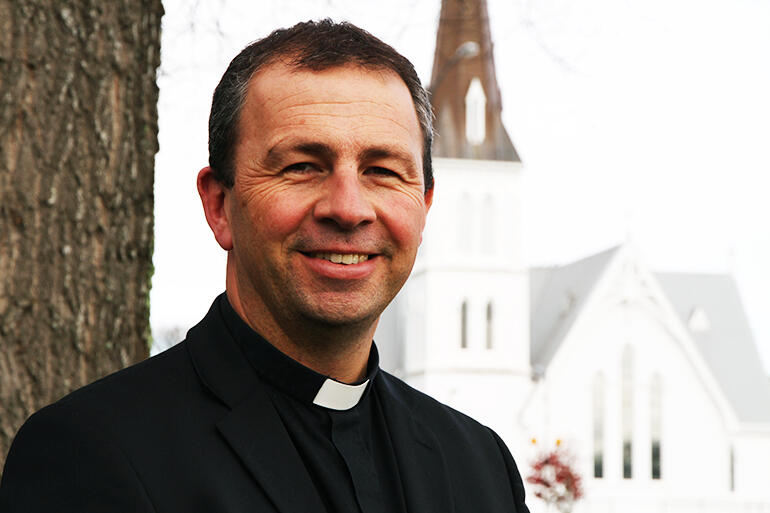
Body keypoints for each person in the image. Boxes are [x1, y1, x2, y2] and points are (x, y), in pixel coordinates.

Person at [0, 20, 529, 512]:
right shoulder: (93, 453)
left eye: (383, 170)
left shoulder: (480, 467)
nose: (347, 208)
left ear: (424, 206)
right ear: (219, 205)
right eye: (302, 166)